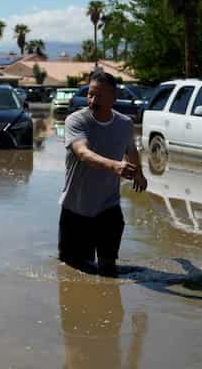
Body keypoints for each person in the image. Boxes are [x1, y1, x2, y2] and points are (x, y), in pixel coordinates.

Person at [60, 70, 146, 275]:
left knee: (108, 269)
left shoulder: (124, 124)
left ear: (113, 98)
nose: (93, 100)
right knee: (75, 271)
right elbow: (83, 153)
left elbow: (131, 150)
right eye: (90, 94)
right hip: (76, 208)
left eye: (99, 95)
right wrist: (115, 166)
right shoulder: (75, 121)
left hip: (109, 207)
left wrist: (139, 174)